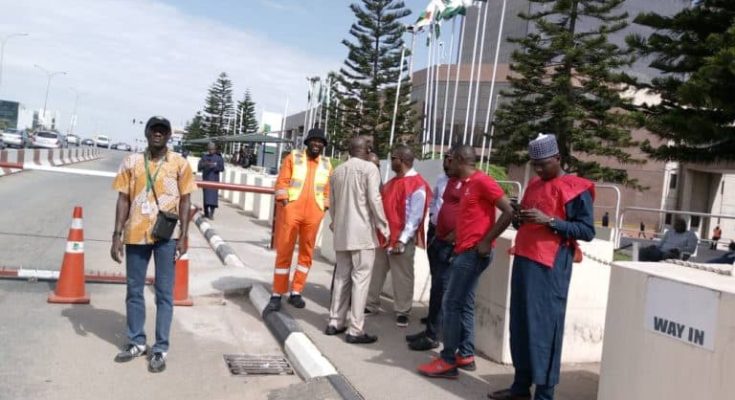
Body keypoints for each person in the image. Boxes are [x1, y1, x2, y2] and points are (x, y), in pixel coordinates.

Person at [488, 133, 595, 400]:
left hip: (551, 266)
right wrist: (518, 217)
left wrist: (550, 221)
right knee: (521, 325)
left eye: (543, 164)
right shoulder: (534, 185)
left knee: (545, 328)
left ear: (557, 158)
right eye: (534, 164)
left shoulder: (575, 187)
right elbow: (525, 221)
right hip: (525, 258)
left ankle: (545, 394)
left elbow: (586, 230)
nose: (538, 169)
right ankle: (520, 387)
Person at [110, 116, 197, 373]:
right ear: (146, 133)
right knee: (134, 289)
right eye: (153, 130)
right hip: (136, 233)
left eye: (163, 131)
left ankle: (160, 348)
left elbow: (185, 200)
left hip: (166, 237)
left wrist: (184, 235)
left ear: (169, 135)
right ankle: (136, 341)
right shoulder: (131, 162)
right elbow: (123, 199)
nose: (158, 134)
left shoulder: (180, 164)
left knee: (164, 294)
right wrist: (116, 234)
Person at [418, 145, 513, 378]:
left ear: (460, 160)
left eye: (451, 160)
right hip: (462, 249)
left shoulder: (482, 182)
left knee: (451, 303)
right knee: (466, 304)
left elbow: (509, 211)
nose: (447, 163)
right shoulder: (465, 184)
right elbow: (470, 216)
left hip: (473, 253)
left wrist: (486, 240)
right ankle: (466, 354)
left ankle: (448, 359)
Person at [326, 137, 390, 344]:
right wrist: (383, 225)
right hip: (362, 234)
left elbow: (332, 204)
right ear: (367, 150)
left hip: (342, 233)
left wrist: (336, 223)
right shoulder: (370, 169)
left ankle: (334, 321)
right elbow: (374, 198)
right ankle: (355, 329)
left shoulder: (337, 171)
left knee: (341, 278)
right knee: (360, 281)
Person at [266, 128, 332, 312]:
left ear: (323, 145)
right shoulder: (293, 158)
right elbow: (282, 182)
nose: (317, 144)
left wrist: (323, 207)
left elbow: (328, 190)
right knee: (284, 251)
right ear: (308, 142)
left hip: (314, 214)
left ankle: (296, 291)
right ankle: (277, 293)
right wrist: (285, 203)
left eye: (321, 141)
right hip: (292, 211)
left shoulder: (327, 164)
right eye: (314, 140)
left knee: (307, 254)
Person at [366, 144, 432, 327]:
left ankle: (402, 311)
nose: (391, 160)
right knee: (376, 272)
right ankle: (371, 304)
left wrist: (402, 240)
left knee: (402, 276)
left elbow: (415, 217)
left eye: (393, 157)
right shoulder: (392, 182)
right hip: (384, 237)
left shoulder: (417, 184)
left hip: (401, 240)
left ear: (401, 160)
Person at [407, 153, 459, 351]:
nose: (447, 163)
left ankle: (434, 334)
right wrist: (432, 218)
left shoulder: (465, 183)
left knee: (443, 286)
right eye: (445, 159)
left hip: (450, 239)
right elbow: (435, 199)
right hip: (435, 233)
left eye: (450, 160)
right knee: (436, 280)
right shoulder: (441, 179)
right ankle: (431, 325)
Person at [197, 142, 225, 219]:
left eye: (212, 149)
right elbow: (199, 166)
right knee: (206, 197)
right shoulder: (204, 157)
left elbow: (222, 168)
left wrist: (214, 166)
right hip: (206, 180)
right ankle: (206, 213)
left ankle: (212, 214)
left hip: (214, 181)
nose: (211, 151)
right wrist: (206, 164)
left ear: (215, 149)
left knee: (213, 198)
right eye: (209, 149)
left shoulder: (219, 158)